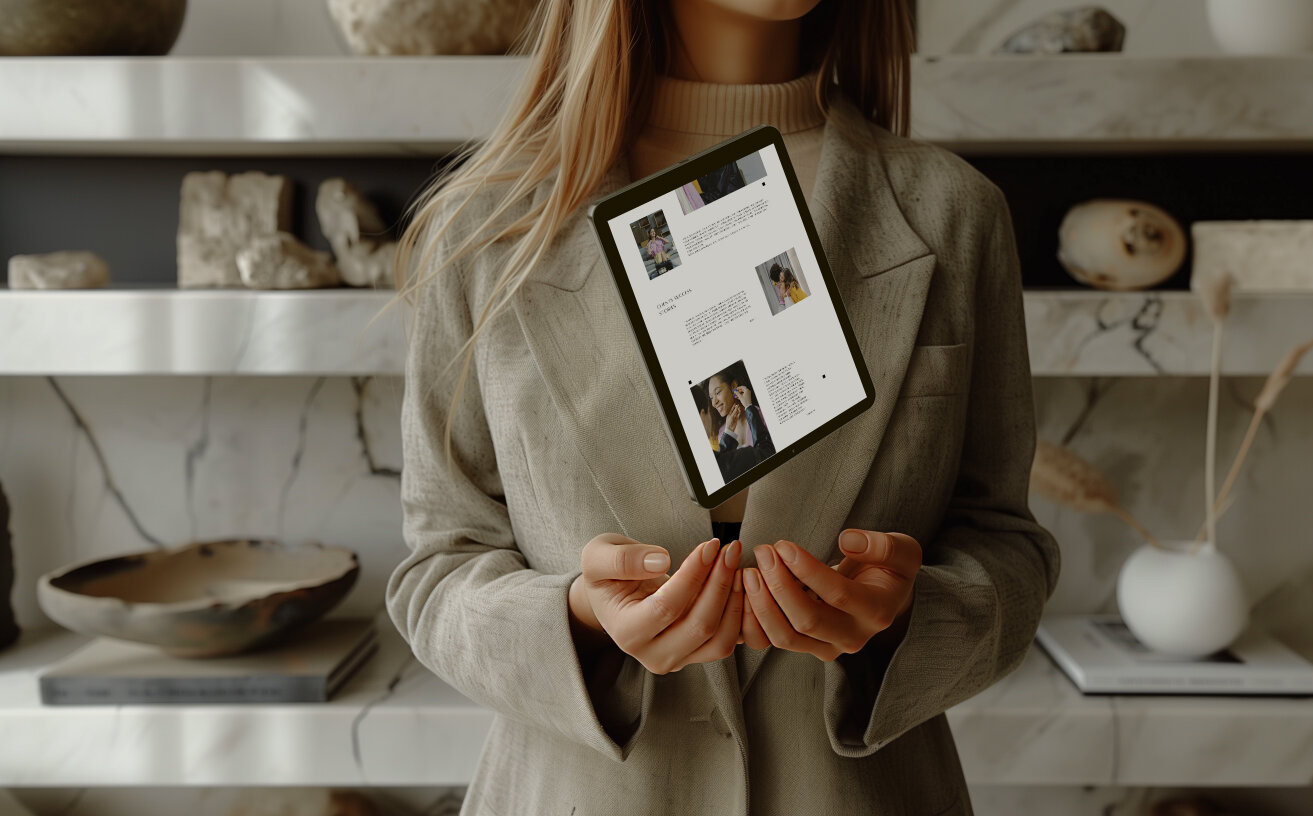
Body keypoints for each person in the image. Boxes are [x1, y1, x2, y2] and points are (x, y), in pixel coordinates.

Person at [385, 0, 1060, 814]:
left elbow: (1008, 548)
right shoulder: (486, 231)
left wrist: (909, 618)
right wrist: (574, 622)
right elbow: (437, 567)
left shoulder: (955, 215)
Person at [708, 368, 774, 482]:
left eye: (717, 392)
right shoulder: (722, 433)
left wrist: (749, 408)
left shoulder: (762, 415)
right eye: (711, 398)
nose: (714, 403)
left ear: (733, 386)